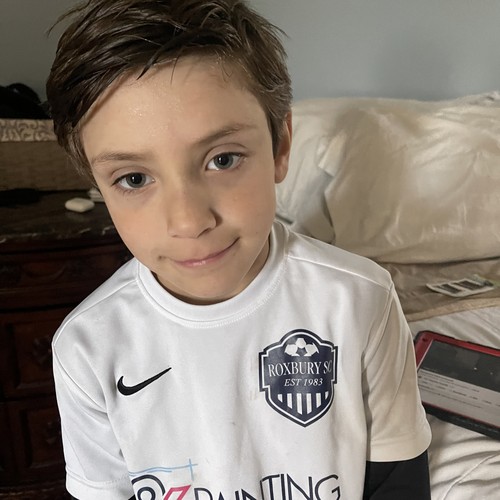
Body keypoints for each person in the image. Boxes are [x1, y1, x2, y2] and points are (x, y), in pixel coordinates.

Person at [46, 1, 432, 499]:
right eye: (134, 179)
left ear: (280, 145)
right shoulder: (87, 347)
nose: (189, 222)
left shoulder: (360, 299)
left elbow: (398, 481)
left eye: (223, 159)